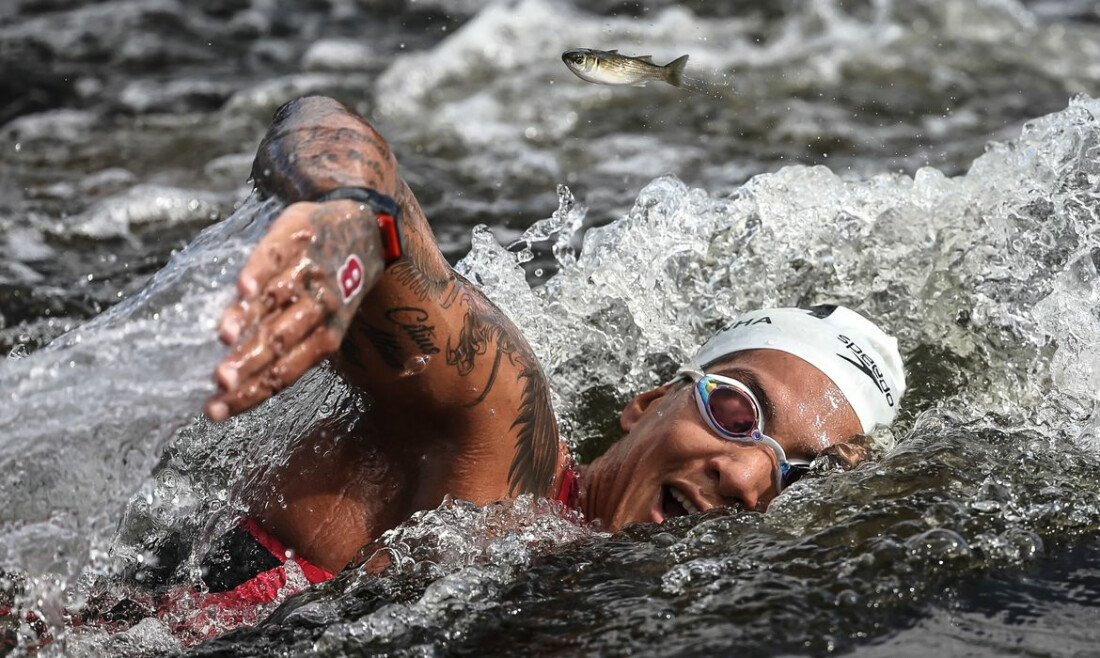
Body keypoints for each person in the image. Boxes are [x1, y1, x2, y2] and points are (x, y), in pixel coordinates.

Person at [194, 95, 906, 605]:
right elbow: (329, 125)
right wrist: (349, 210)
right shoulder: (498, 439)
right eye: (736, 408)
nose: (749, 476)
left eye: (797, 476)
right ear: (648, 402)